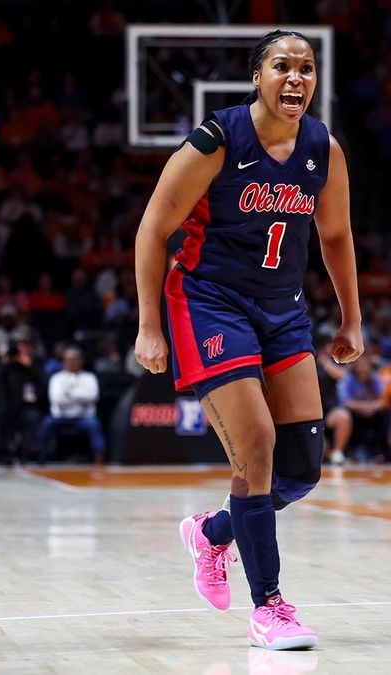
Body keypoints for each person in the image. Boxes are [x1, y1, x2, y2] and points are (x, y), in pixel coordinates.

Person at [134, 30, 362, 650]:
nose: (296, 78)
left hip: (282, 308)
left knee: (301, 469)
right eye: (282, 67)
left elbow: (335, 238)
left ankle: (212, 532)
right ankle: (270, 609)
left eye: (307, 69)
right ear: (257, 78)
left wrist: (351, 319)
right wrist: (149, 325)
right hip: (209, 301)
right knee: (256, 445)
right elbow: (154, 227)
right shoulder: (218, 138)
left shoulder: (323, 149)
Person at [39, 347, 106, 464]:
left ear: (81, 361)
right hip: (60, 416)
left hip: (83, 417)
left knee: (93, 424)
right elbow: (57, 400)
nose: (71, 362)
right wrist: (80, 395)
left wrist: (69, 393)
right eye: (68, 359)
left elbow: (93, 397)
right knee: (46, 424)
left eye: (74, 359)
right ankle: (43, 457)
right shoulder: (56, 378)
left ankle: (99, 457)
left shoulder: (89, 377)